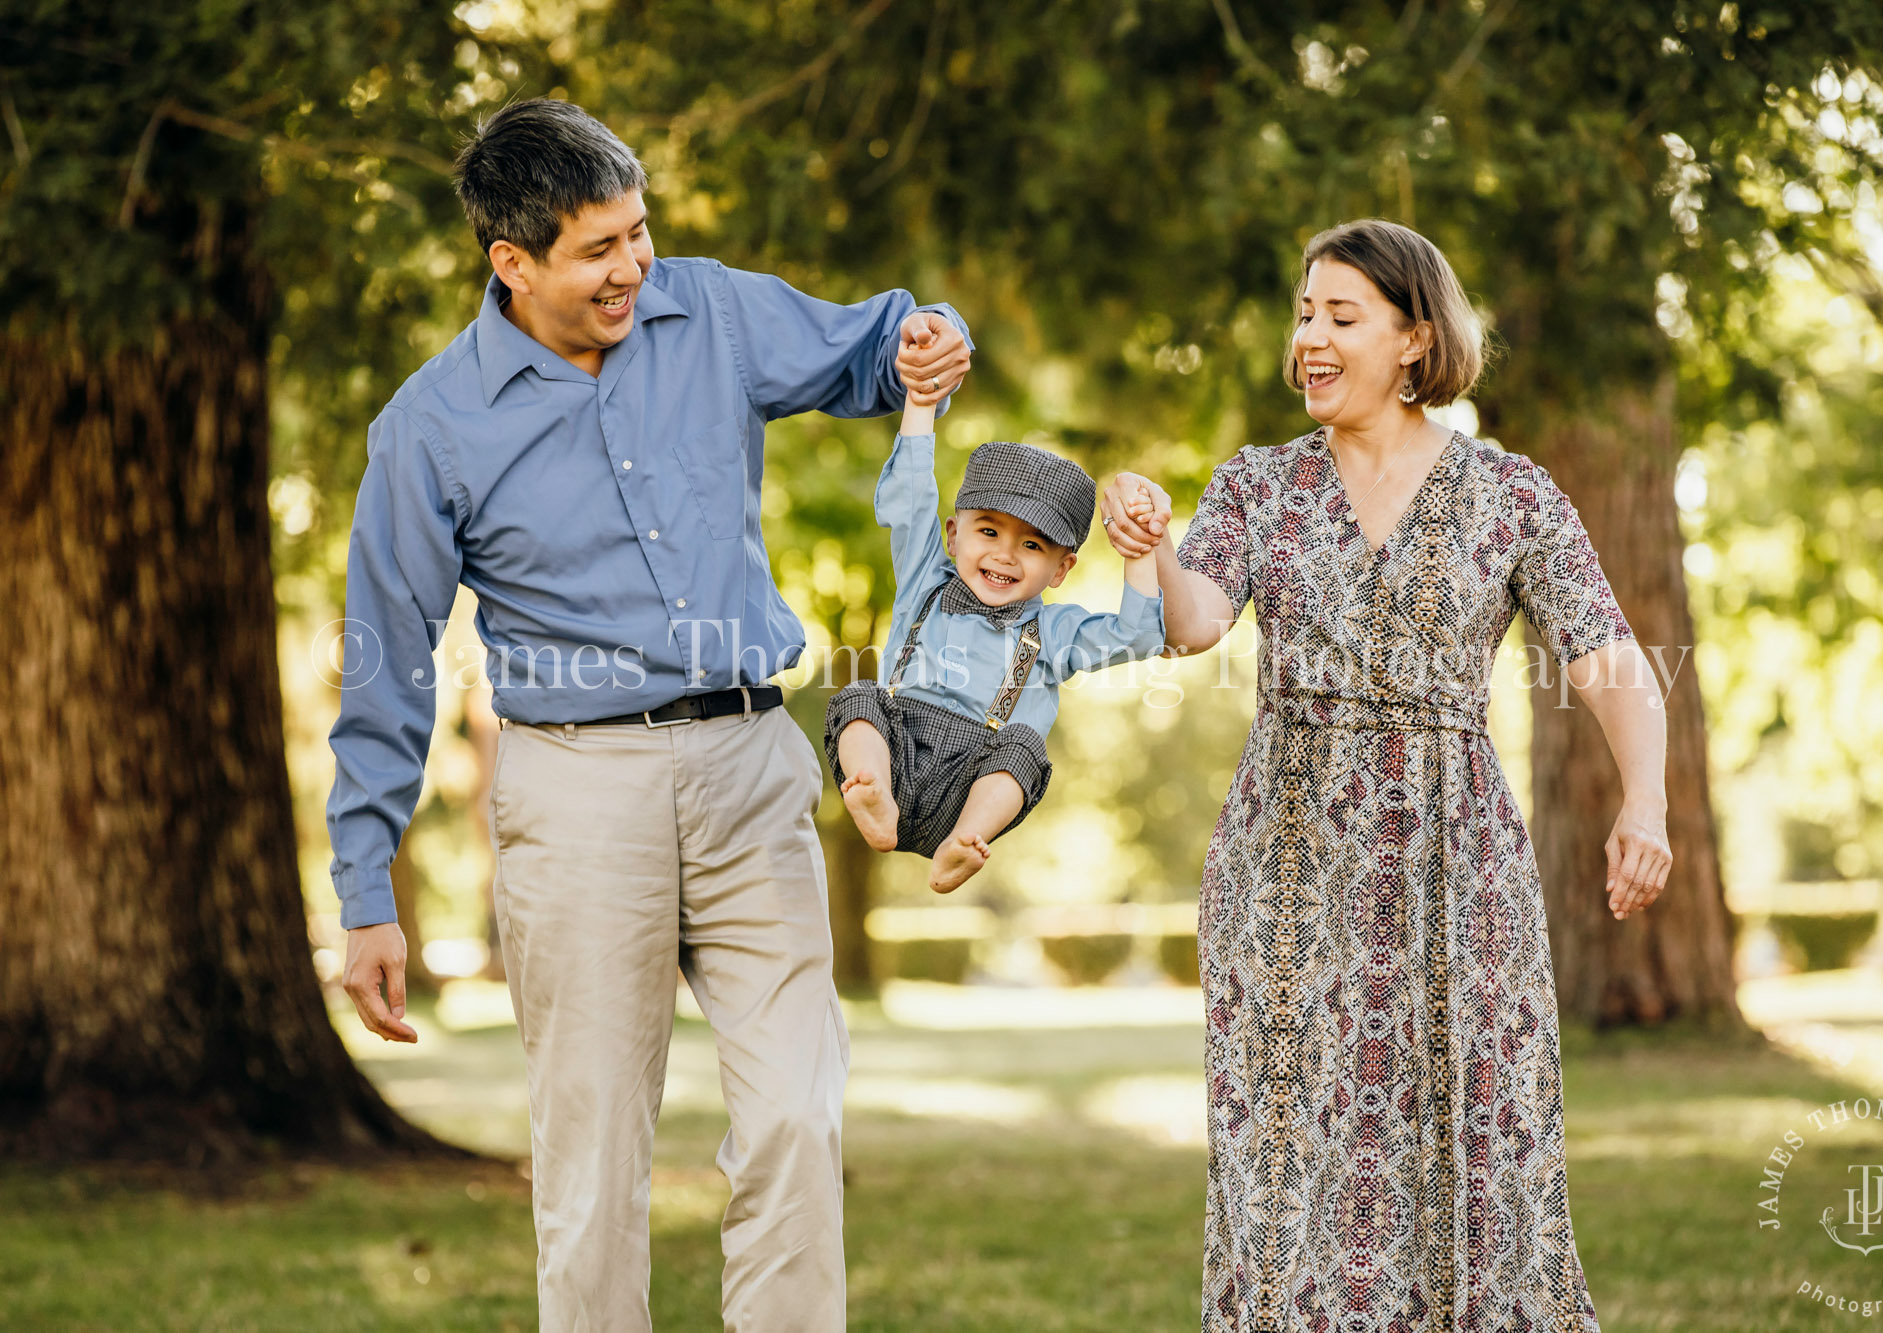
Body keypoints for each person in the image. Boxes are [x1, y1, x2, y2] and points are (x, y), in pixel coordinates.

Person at [324, 98, 972, 1332]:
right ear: (510, 262)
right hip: (577, 796)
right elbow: (386, 666)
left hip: (748, 765)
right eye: (597, 249)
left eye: (639, 233)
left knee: (794, 1112)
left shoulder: (710, 309)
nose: (632, 267)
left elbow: (869, 344)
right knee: (593, 1164)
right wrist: (364, 890)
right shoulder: (430, 429)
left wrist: (925, 344)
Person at [1102, 219, 1671, 1332]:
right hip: (1288, 870)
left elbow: (1605, 657)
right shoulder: (1257, 485)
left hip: (1457, 863)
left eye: (1340, 315)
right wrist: (1148, 544)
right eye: (1303, 313)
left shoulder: (1511, 495)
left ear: (1414, 340)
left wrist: (1640, 798)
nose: (1309, 337)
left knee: (1477, 1141)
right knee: (1286, 1161)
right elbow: (1196, 624)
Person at [824, 374, 1172, 892]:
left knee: (1024, 749)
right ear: (953, 535)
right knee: (859, 698)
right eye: (988, 531)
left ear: (1061, 569)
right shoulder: (924, 580)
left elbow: (1136, 636)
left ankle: (961, 846)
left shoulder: (1053, 632)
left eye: (1033, 546)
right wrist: (920, 402)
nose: (1005, 554)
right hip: (894, 757)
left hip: (967, 789)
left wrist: (1140, 552)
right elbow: (911, 497)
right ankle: (871, 791)